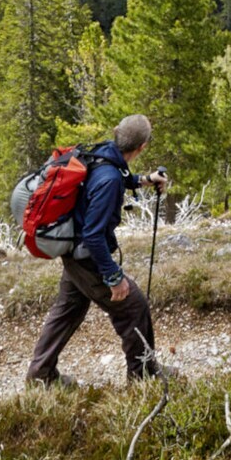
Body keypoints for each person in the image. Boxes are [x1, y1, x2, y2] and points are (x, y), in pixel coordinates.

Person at [25, 113, 172, 386]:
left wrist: (145, 179)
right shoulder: (110, 181)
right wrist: (114, 278)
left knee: (68, 309)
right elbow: (94, 236)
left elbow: (118, 172)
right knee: (133, 307)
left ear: (118, 132)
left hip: (73, 252)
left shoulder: (104, 152)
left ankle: (40, 376)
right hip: (86, 256)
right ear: (142, 147)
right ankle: (144, 377)